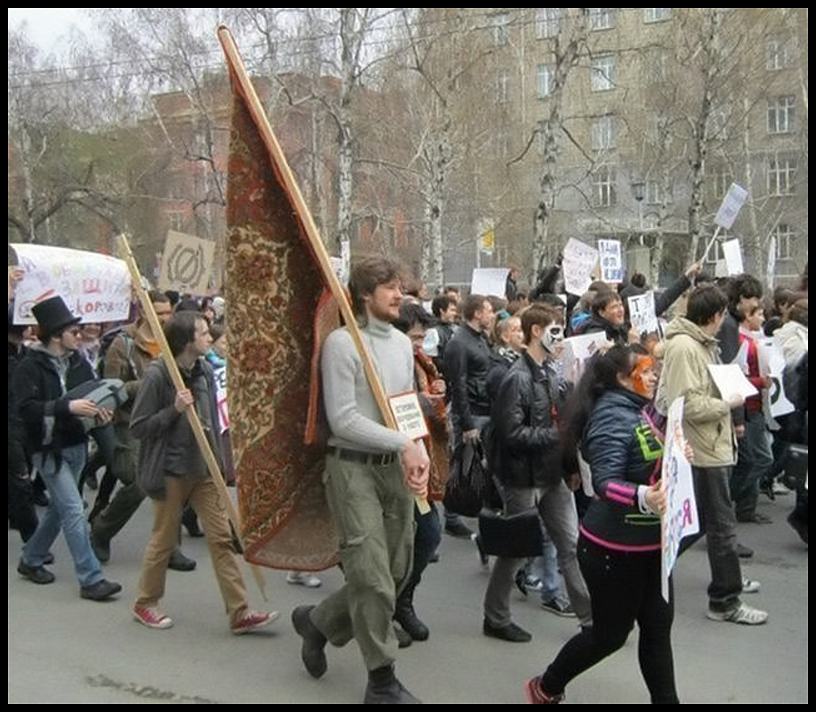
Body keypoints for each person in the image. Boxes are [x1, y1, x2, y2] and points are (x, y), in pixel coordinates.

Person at [290, 256, 429, 704]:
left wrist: (418, 447)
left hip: (394, 466)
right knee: (370, 578)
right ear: (364, 295)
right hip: (352, 467)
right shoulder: (342, 344)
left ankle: (318, 622)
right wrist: (401, 443)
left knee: (395, 569)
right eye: (388, 287)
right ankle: (382, 681)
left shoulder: (403, 345)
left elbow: (404, 406)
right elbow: (345, 419)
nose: (398, 294)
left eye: (400, 286)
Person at [526, 345, 677, 704]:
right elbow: (606, 483)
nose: (654, 375)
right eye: (646, 370)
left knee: (657, 630)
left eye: (655, 369)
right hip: (613, 550)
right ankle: (546, 686)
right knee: (609, 636)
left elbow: (655, 461)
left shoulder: (645, 409)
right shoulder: (611, 416)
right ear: (622, 378)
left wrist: (677, 457)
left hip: (653, 546)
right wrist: (645, 496)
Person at [129, 310, 276, 634]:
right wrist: (174, 410)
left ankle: (240, 612)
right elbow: (138, 427)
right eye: (202, 332)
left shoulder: (205, 370)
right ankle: (145, 603)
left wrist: (221, 465)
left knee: (223, 538)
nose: (209, 336)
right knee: (164, 540)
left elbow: (211, 421)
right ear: (185, 341)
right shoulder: (159, 376)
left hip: (204, 468)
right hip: (170, 471)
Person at [659, 284, 767, 625]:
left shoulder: (698, 344)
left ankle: (650, 569)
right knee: (721, 526)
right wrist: (729, 402)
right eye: (723, 315)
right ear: (715, 315)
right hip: (702, 448)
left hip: (709, 444)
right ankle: (724, 599)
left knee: (702, 524)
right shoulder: (685, 348)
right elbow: (684, 403)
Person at [486, 304, 591, 644]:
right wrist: (556, 436)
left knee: (570, 544)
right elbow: (511, 434)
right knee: (516, 550)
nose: (559, 337)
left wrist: (570, 465)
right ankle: (496, 617)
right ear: (536, 331)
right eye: (554, 329)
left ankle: (591, 618)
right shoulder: (516, 378)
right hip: (523, 478)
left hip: (552, 476)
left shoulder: (550, 374)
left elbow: (564, 421)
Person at [14, 296, 122, 601]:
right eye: (74, 331)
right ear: (55, 334)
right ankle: (91, 579)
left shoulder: (78, 362)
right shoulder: (29, 367)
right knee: (74, 509)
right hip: (47, 449)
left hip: (76, 445)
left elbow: (93, 392)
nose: (80, 335)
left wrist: (102, 410)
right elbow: (25, 410)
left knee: (61, 510)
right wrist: (67, 406)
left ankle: (31, 558)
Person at [90, 291, 195, 571]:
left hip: (168, 421)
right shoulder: (123, 344)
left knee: (172, 483)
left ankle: (170, 547)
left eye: (167, 313)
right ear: (144, 313)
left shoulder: (172, 341)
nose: (165, 318)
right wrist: (149, 384)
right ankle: (101, 530)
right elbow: (113, 390)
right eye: (159, 313)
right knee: (138, 485)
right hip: (131, 424)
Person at [443, 294, 496, 538]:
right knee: (462, 464)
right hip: (471, 412)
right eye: (488, 310)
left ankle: (477, 509)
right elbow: (458, 384)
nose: (492, 314)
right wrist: (466, 423)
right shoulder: (459, 342)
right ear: (477, 313)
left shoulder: (480, 338)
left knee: (480, 467)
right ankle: (452, 515)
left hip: (484, 408)